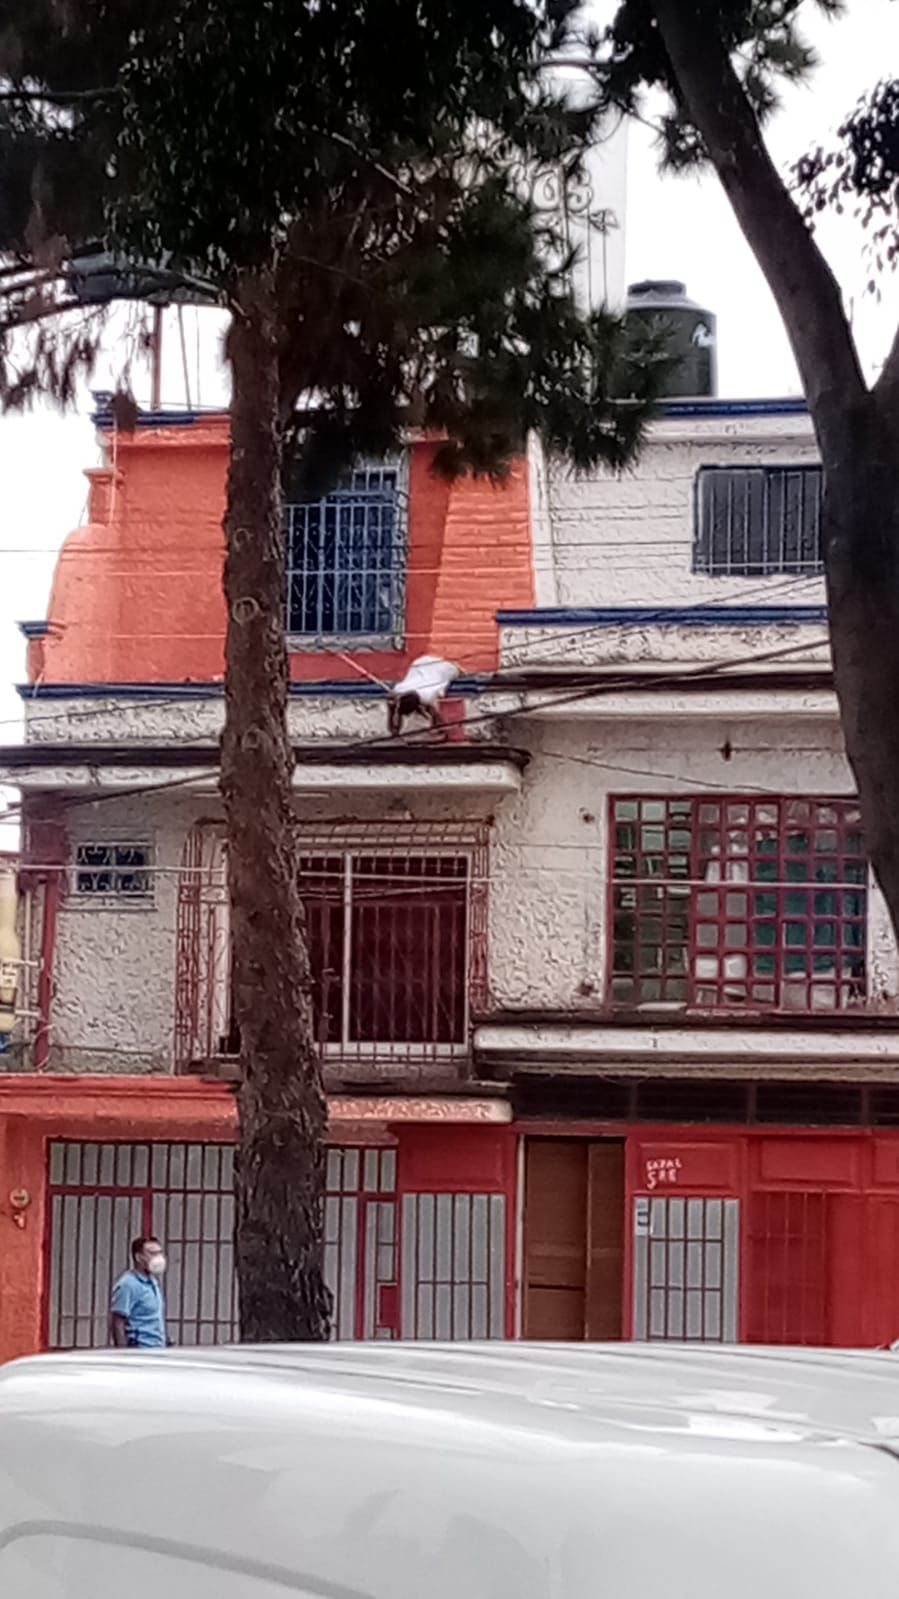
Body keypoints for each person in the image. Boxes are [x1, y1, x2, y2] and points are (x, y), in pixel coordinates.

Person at [110, 1234, 168, 1349]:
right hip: (139, 1350)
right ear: (138, 1257)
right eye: (152, 1253)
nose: (158, 1258)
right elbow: (117, 1321)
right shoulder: (128, 1284)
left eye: (160, 1253)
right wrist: (123, 1353)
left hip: (157, 1348)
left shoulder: (152, 1282)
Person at [386, 654, 460, 738]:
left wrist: (441, 729)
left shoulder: (427, 697)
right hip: (421, 663)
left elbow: (437, 717)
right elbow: (392, 710)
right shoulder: (397, 690)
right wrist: (395, 730)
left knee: (452, 671)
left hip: (441, 667)